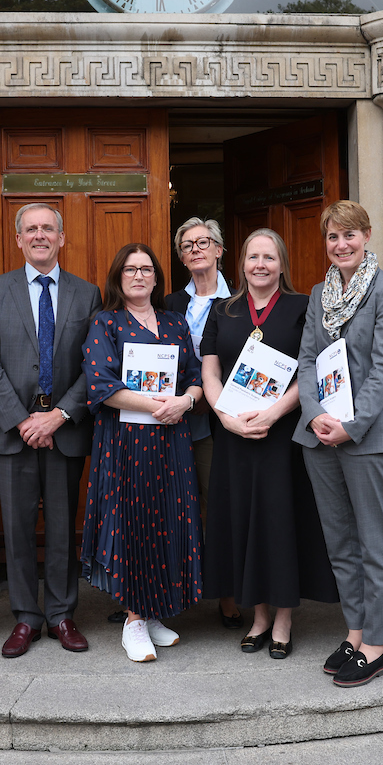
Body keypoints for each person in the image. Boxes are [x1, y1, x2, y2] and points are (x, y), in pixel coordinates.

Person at [201, 228, 338, 659]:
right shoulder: (223, 310)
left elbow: (311, 369)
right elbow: (209, 371)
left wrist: (274, 413)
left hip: (283, 437)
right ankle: (258, 617)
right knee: (243, 522)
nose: (260, 264)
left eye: (269, 257)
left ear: (282, 264)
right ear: (241, 264)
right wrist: (226, 417)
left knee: (280, 524)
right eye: (253, 257)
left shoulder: (303, 306)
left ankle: (283, 619)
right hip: (234, 437)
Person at [293, 200, 383, 688]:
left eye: (349, 235)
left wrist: (352, 423)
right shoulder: (319, 294)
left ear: (366, 236)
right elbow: (306, 362)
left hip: (371, 437)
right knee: (340, 543)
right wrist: (316, 414)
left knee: (374, 543)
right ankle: (356, 632)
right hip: (320, 436)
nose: (340, 244)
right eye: (332, 236)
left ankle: (378, 645)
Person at [0, 203, 102, 658]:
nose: (40, 235)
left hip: (64, 430)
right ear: (19, 239)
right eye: (31, 229)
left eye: (48, 228)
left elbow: (94, 364)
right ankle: (27, 617)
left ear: (61, 238)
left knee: (64, 528)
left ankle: (62, 614)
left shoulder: (86, 294)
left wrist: (60, 415)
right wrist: (23, 420)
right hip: (13, 432)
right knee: (17, 528)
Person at [80, 243, 204, 663]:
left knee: (166, 520)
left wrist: (185, 401)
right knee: (133, 522)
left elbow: (194, 376)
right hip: (126, 443)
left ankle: (151, 613)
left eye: (146, 269)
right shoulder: (106, 322)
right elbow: (101, 386)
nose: (138, 275)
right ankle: (133, 621)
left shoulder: (174, 322)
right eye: (130, 269)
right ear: (118, 277)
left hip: (171, 441)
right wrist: (157, 405)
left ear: (156, 278)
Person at [163, 217, 240, 629]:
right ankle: (163, 593)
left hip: (224, 419)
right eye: (187, 245)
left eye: (203, 242)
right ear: (181, 256)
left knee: (220, 504)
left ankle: (226, 594)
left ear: (219, 250)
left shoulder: (241, 300)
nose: (195, 249)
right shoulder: (170, 303)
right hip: (173, 417)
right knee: (171, 505)